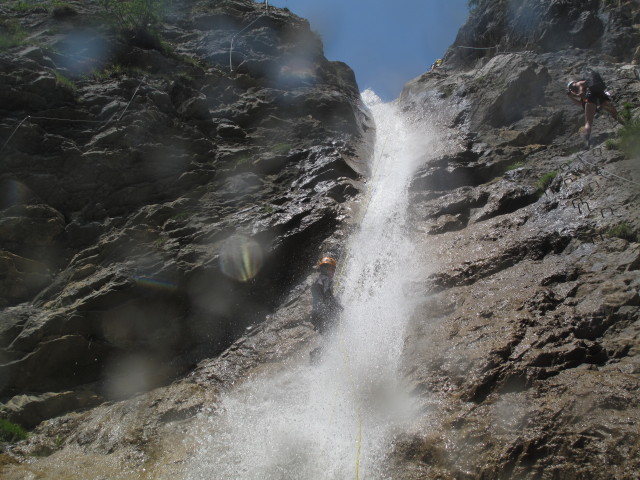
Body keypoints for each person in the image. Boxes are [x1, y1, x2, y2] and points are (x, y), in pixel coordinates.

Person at [566, 68, 623, 148]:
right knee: (614, 113)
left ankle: (587, 143)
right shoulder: (579, 89)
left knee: (588, 122)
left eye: (571, 89)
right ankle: (628, 126)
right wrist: (570, 97)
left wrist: (573, 94)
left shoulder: (578, 84)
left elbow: (582, 92)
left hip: (591, 99)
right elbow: (580, 103)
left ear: (572, 86)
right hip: (600, 97)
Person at [310, 256, 342, 336]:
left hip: (316, 316)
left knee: (327, 336)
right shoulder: (326, 279)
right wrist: (338, 306)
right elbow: (327, 292)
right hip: (324, 314)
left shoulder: (316, 281)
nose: (333, 272)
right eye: (332, 269)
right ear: (326, 269)